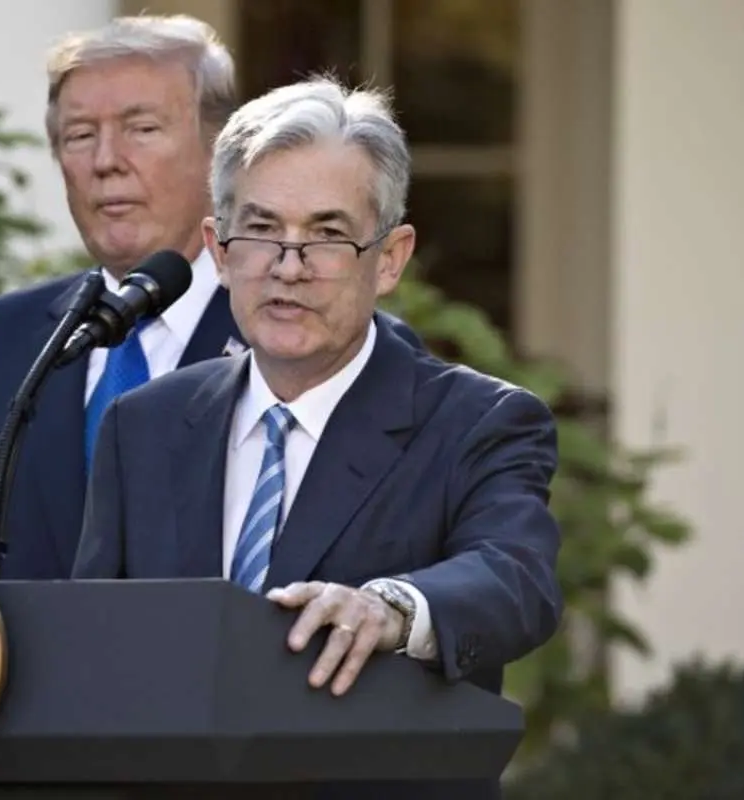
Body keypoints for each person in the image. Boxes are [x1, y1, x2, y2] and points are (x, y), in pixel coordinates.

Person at [72, 77, 562, 799]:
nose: (288, 266)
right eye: (262, 230)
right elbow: (96, 647)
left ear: (389, 258)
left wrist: (391, 609)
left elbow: (515, 578)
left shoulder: (477, 423)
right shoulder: (143, 425)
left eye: (327, 235)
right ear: (218, 250)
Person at [0, 15, 422, 579]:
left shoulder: (325, 341)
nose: (106, 160)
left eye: (141, 129)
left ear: (219, 152)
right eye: (80, 135)